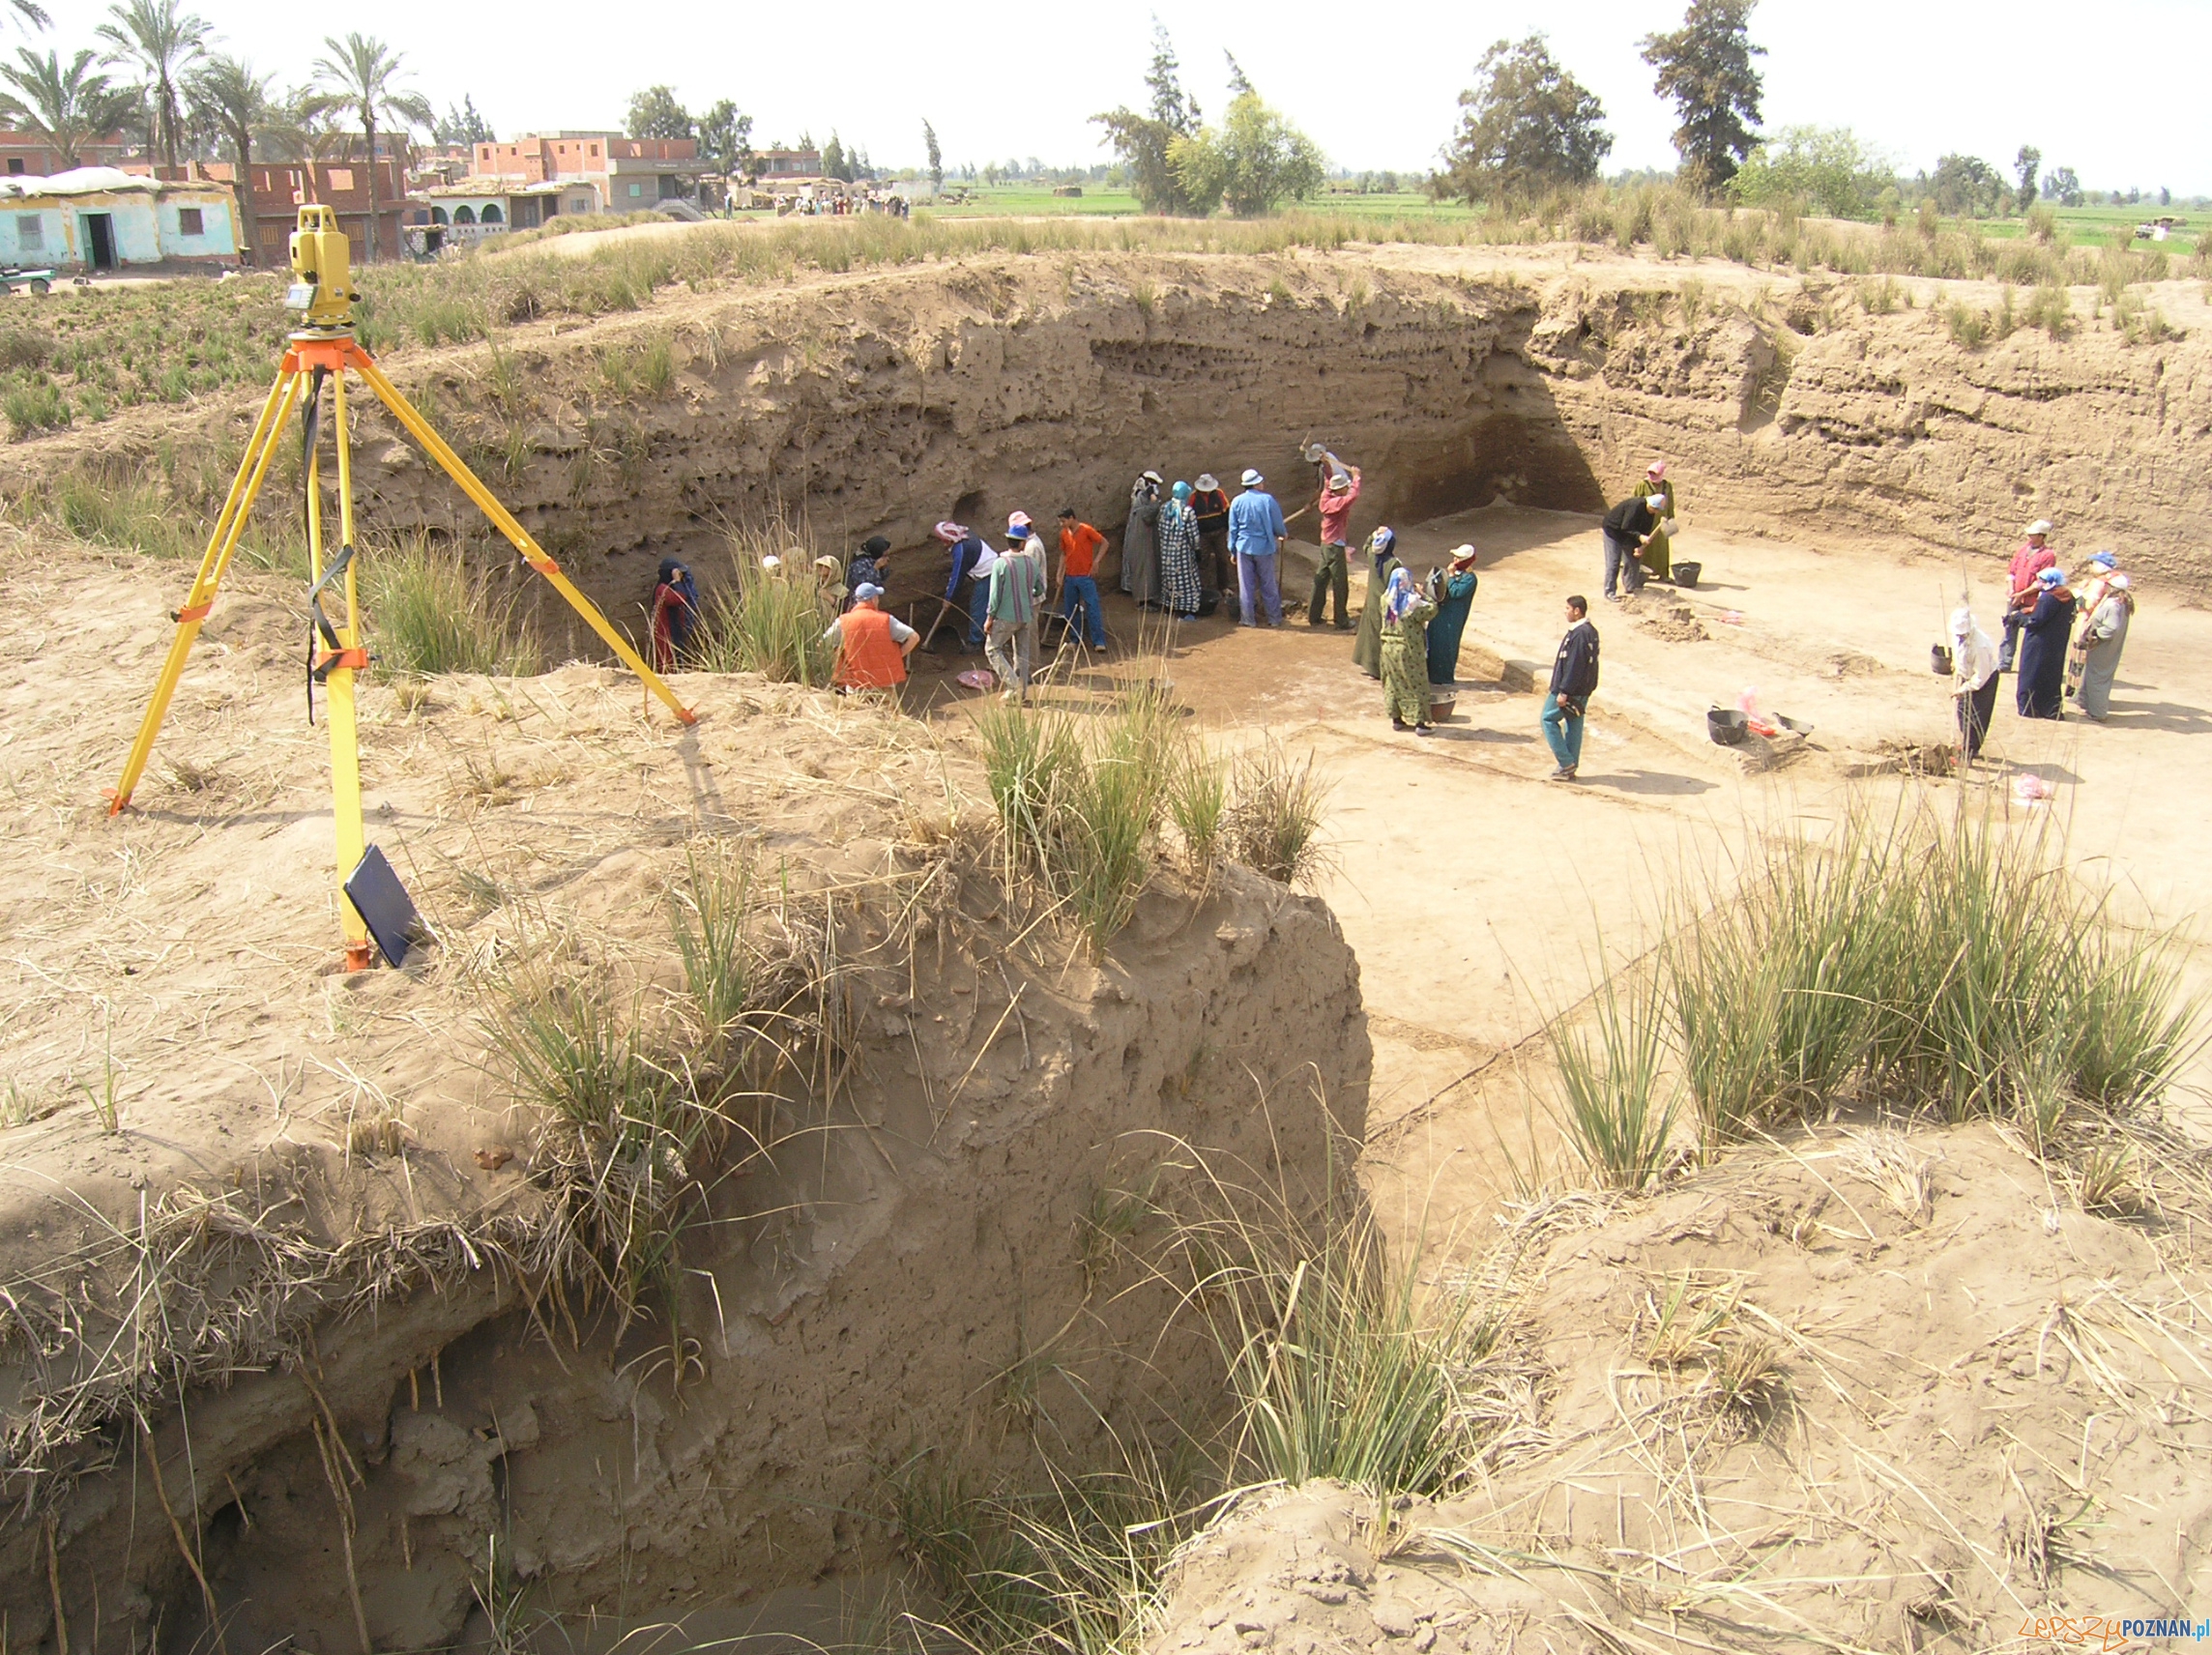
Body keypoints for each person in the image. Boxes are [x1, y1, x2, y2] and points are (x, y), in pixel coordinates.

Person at [985, 516, 1048, 703]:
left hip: (1005, 616)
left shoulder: (1000, 563)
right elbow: (1039, 588)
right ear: (1022, 543)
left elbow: (995, 595)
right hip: (1026, 615)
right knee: (1022, 654)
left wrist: (990, 618)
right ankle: (1021, 694)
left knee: (992, 649)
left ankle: (1012, 684)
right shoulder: (1031, 563)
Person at [1541, 595, 1600, 781]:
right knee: (1574, 724)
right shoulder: (1590, 631)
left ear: (1577, 611)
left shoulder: (1580, 634)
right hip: (1583, 689)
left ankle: (1566, 762)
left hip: (1570, 689)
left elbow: (1575, 664)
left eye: (1567, 608)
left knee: (1547, 719)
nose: (1565, 611)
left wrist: (1564, 691)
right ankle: (1570, 767)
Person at [823, 583, 917, 692]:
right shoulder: (886, 620)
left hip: (856, 683)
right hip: (884, 682)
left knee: (857, 709)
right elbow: (914, 637)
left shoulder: (843, 621)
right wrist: (896, 656)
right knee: (885, 709)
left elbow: (823, 643)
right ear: (873, 599)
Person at [1379, 567, 1437, 735]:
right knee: (1415, 683)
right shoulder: (1412, 603)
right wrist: (1422, 594)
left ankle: (1397, 719)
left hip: (1388, 647)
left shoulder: (1385, 599)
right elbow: (1432, 610)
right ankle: (1419, 723)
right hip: (1409, 649)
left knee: (1393, 682)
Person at [1228, 468, 1288, 627]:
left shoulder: (1236, 501)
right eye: (1261, 482)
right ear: (1256, 484)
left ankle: (1248, 619)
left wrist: (1232, 550)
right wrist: (1282, 533)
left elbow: (1233, 529)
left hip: (1243, 548)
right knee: (1268, 584)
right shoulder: (1268, 500)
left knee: (1246, 587)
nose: (1263, 484)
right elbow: (1278, 524)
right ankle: (1274, 618)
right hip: (1264, 548)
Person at [2015, 566, 2076, 720]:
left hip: (2038, 642)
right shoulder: (2068, 596)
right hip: (2057, 643)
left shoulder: (2048, 598)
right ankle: (2050, 708)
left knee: (2031, 674)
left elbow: (2036, 621)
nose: (2038, 583)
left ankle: (2029, 708)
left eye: (2041, 580)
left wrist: (2019, 618)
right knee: (2051, 676)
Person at [1307, 457, 1361, 629]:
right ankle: (1341, 620)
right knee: (1340, 583)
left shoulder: (1327, 495)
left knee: (1321, 579)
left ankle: (1314, 616)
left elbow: (1329, 480)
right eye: (1345, 487)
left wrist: (1327, 464)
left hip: (1326, 543)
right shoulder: (1337, 503)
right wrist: (1356, 477)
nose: (1347, 489)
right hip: (1334, 546)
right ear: (1340, 490)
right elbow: (1353, 495)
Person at [2076, 574, 2134, 722]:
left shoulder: (2112, 605)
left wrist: (2095, 634)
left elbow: (2110, 628)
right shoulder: (2122, 603)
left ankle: (2098, 712)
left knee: (2097, 677)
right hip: (2111, 646)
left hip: (2103, 646)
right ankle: (2086, 703)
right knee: (2096, 675)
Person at [1999, 519, 2056, 671]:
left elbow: (2042, 581)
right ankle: (2005, 662)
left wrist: (2022, 594)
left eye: (2033, 535)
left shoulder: (2048, 556)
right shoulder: (2022, 551)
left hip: (2032, 600)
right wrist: (2012, 590)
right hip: (2015, 596)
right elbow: (2011, 572)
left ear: (2041, 536)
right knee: (2009, 628)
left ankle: (2027, 665)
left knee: (2031, 633)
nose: (2029, 537)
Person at [1948, 605, 2001, 765]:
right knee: (1962, 712)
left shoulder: (1980, 645)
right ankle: (1967, 745)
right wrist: (1956, 664)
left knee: (1976, 718)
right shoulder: (1957, 636)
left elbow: (1981, 676)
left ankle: (1969, 754)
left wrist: (1963, 689)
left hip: (1984, 681)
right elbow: (1958, 652)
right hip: (1967, 676)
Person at [2066, 550, 2120, 702]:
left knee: (2080, 660)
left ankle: (2077, 693)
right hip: (2087, 622)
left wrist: (2078, 595)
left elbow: (2089, 604)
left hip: (2086, 623)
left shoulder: (2099, 583)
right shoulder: (2105, 581)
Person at [1055, 507, 1109, 650]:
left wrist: (1096, 561)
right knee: (1071, 610)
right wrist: (1059, 574)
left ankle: (1099, 641)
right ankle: (1075, 639)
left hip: (1086, 577)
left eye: (1063, 521)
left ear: (1072, 518)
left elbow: (1104, 543)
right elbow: (1063, 554)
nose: (1062, 524)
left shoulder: (1086, 530)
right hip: (1070, 577)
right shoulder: (1064, 534)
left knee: (1093, 608)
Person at [1352, 527, 1403, 679]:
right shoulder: (1394, 564)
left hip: (1372, 603)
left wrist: (1374, 534)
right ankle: (1381, 669)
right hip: (1386, 606)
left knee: (1371, 636)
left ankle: (1370, 665)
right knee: (1384, 637)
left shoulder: (1373, 557)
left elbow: (1366, 546)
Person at [1599, 490, 1667, 601]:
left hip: (1629, 534)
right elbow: (1625, 527)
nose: (1655, 512)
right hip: (1613, 531)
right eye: (1654, 509)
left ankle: (1631, 588)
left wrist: (1639, 547)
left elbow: (1645, 530)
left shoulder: (1650, 513)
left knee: (1633, 561)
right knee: (1614, 563)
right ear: (1649, 504)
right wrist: (1640, 537)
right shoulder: (1635, 506)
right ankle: (1609, 591)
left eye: (1657, 510)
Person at [1426, 544, 1478, 685]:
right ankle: (1430, 674)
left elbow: (1456, 592)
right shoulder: (1455, 573)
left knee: (1447, 645)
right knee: (1434, 641)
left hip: (1454, 616)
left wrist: (1450, 576)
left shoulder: (1470, 578)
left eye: (1459, 558)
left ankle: (1443, 677)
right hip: (1441, 613)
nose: (1455, 560)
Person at [936, 521, 991, 652]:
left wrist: (949, 598)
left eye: (943, 540)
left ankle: (975, 643)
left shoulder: (960, 550)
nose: (943, 543)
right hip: (990, 568)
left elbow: (957, 576)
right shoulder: (966, 535)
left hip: (988, 575)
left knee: (978, 608)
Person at [1157, 481, 1204, 619]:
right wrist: (1197, 550)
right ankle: (1186, 610)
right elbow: (1193, 535)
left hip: (1166, 553)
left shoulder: (1164, 508)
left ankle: (1169, 607)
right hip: (1182, 554)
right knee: (1186, 581)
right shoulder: (1188, 512)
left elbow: (1160, 529)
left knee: (1169, 579)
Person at [1121, 472, 1163, 609]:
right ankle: (1143, 601)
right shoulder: (1141, 497)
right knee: (1143, 570)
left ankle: (1149, 599)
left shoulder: (1143, 497)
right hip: (1140, 541)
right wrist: (1153, 500)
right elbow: (1148, 514)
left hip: (1146, 539)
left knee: (1149, 569)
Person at [650, 558, 699, 671]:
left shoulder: (668, 588)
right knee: (667, 660)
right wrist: (676, 581)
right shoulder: (662, 589)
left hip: (674, 629)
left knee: (677, 655)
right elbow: (678, 599)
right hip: (666, 631)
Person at [1191, 473, 1233, 600]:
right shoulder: (1193, 498)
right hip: (1203, 535)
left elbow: (1227, 511)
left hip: (1219, 533)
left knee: (1222, 559)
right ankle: (1202, 588)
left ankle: (1224, 587)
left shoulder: (1219, 494)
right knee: (1202, 561)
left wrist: (1225, 528)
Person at [1633, 462, 1677, 582]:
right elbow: (1636, 501)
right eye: (1651, 473)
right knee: (1645, 546)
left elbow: (1670, 502)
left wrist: (1670, 517)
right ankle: (1642, 574)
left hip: (1662, 521)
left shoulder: (1667, 486)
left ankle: (1663, 573)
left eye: (1655, 473)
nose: (1652, 476)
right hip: (1646, 520)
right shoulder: (1643, 485)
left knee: (1661, 548)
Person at [844, 534, 891, 611]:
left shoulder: (874, 559)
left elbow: (882, 578)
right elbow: (861, 583)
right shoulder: (859, 563)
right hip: (857, 601)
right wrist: (875, 567)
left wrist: (883, 567)